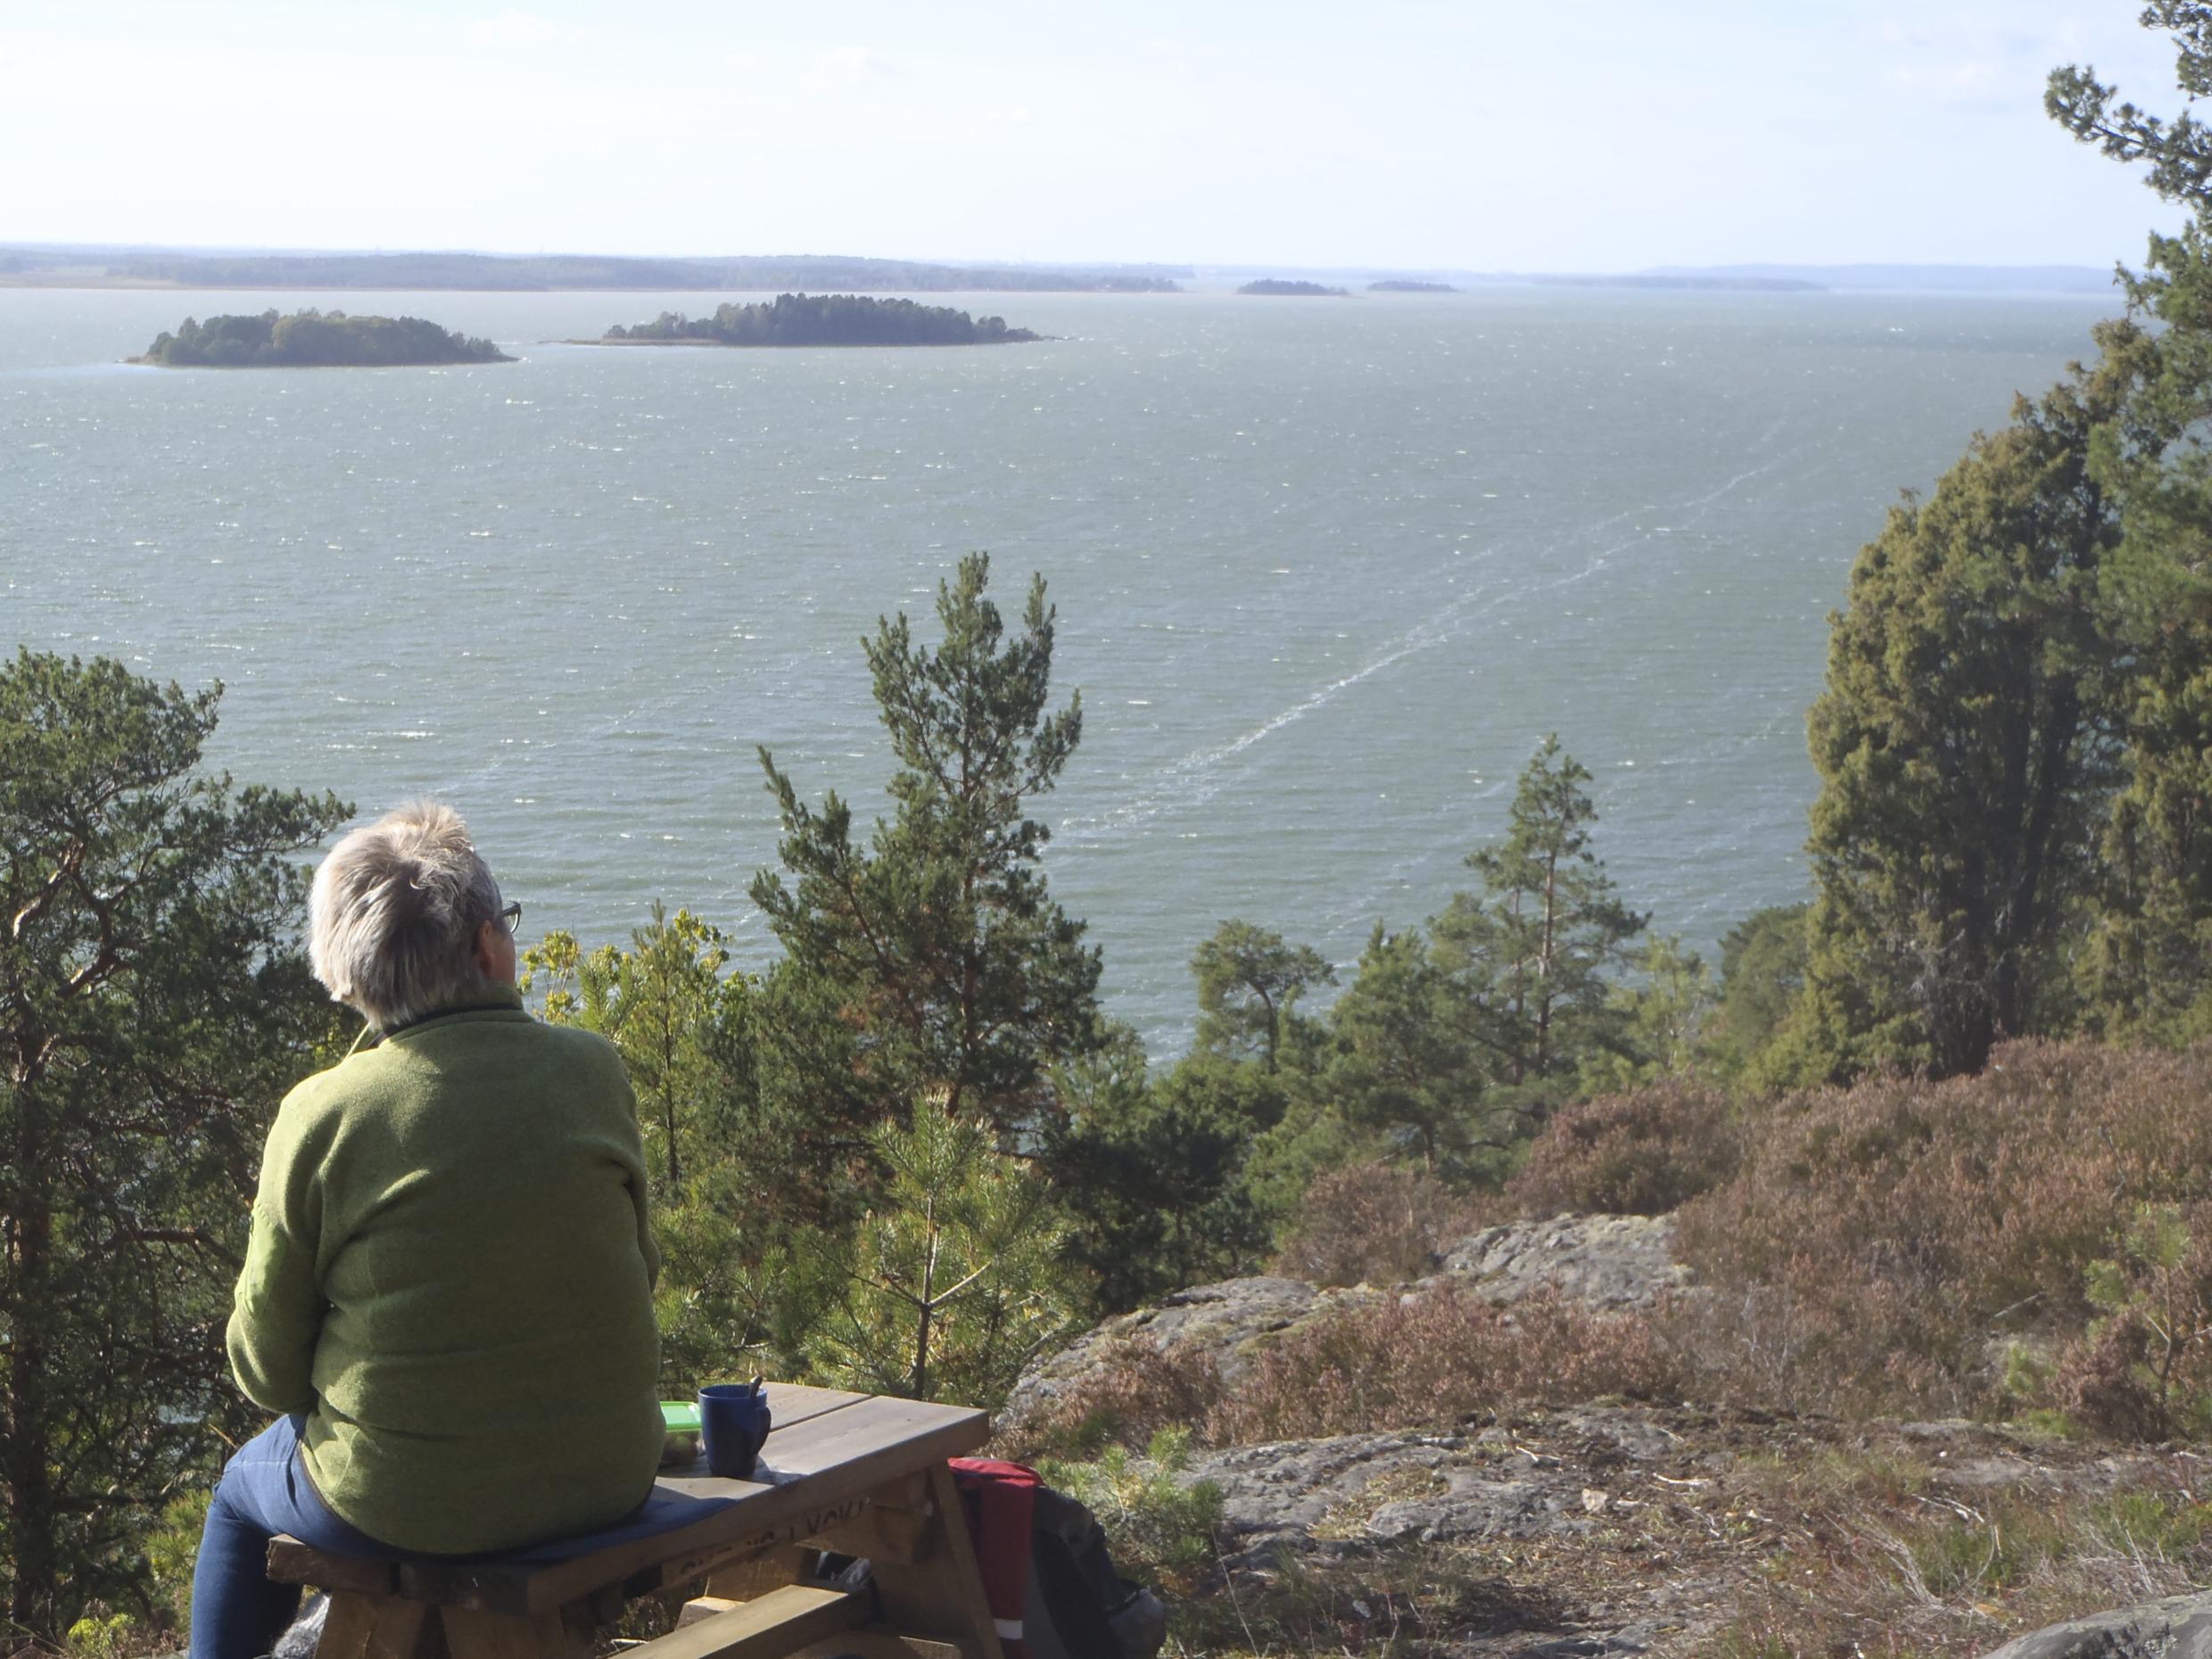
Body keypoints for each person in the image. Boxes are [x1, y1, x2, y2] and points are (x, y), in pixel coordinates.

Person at [191, 803, 664, 1659]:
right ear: (487, 946)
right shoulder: (593, 1070)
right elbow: (641, 1269)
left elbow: (264, 1370)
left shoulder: (323, 1113)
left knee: (236, 1491)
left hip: (406, 1504)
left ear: (348, 974)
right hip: (609, 1476)